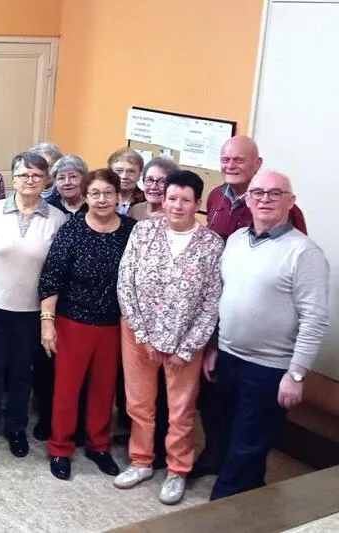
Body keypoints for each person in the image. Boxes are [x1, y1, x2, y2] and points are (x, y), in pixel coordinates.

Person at [207, 170, 329, 500]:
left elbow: (315, 319)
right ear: (248, 199)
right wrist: (215, 347)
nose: (265, 199)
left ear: (291, 202)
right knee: (231, 435)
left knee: (248, 443)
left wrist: (296, 374)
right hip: (228, 357)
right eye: (258, 193)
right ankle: (250, 497)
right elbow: (224, 297)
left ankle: (221, 510)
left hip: (270, 368)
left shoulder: (304, 253)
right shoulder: (235, 240)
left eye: (275, 193)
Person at [193, 135, 308, 481]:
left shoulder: (283, 209)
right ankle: (215, 452)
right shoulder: (216, 197)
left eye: (239, 160)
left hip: (261, 331)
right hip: (220, 312)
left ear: (257, 164)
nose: (230, 166)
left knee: (249, 414)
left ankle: (239, 473)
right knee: (213, 396)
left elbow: (291, 269)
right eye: (225, 159)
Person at [115, 170, 224, 505]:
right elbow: (125, 283)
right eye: (172, 198)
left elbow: (212, 301)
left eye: (185, 200)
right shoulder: (143, 232)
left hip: (184, 344)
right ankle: (141, 461)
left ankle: (177, 470)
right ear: (163, 200)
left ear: (197, 203)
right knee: (139, 404)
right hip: (138, 336)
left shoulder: (211, 245)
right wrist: (143, 335)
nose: (177, 205)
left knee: (180, 411)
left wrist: (188, 346)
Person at [39, 169, 136, 481]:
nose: (102, 199)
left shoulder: (131, 231)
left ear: (118, 196)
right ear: (86, 196)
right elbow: (51, 278)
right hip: (72, 322)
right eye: (95, 193)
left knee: (103, 390)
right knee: (67, 390)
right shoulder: (72, 230)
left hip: (113, 324)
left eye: (108, 193)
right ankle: (60, 447)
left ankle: (99, 445)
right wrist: (47, 323)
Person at [0, 152, 68, 458]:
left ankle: (16, 427)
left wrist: (48, 315)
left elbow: (56, 271)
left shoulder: (57, 219)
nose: (30, 180)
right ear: (13, 178)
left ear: (46, 181)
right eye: (24, 174)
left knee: (21, 372)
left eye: (37, 175)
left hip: (31, 310)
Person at [108, 148, 146, 215]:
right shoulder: (101, 199)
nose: (124, 176)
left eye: (131, 171)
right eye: (119, 171)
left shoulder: (146, 201)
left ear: (139, 175)